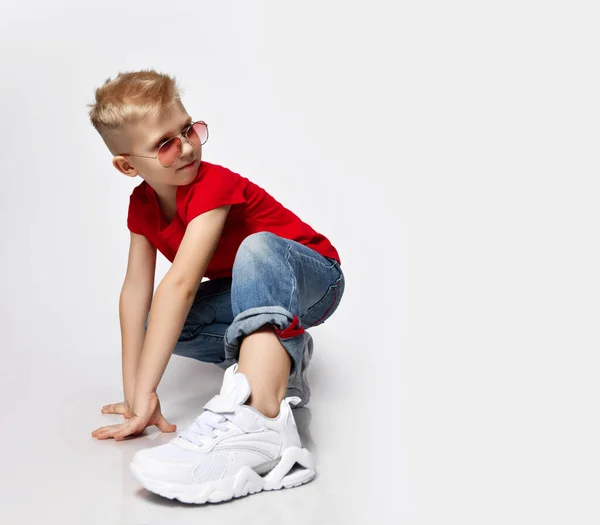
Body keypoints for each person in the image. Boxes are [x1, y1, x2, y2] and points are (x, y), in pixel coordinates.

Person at [87, 69, 345, 504]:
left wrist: (150, 388)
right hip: (249, 295)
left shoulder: (213, 184)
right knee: (158, 323)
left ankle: (264, 425)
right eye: (164, 144)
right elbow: (135, 294)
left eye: (187, 129)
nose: (186, 146)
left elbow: (183, 283)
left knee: (256, 247)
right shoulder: (142, 206)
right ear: (128, 165)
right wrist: (136, 398)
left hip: (312, 280)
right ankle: (284, 357)